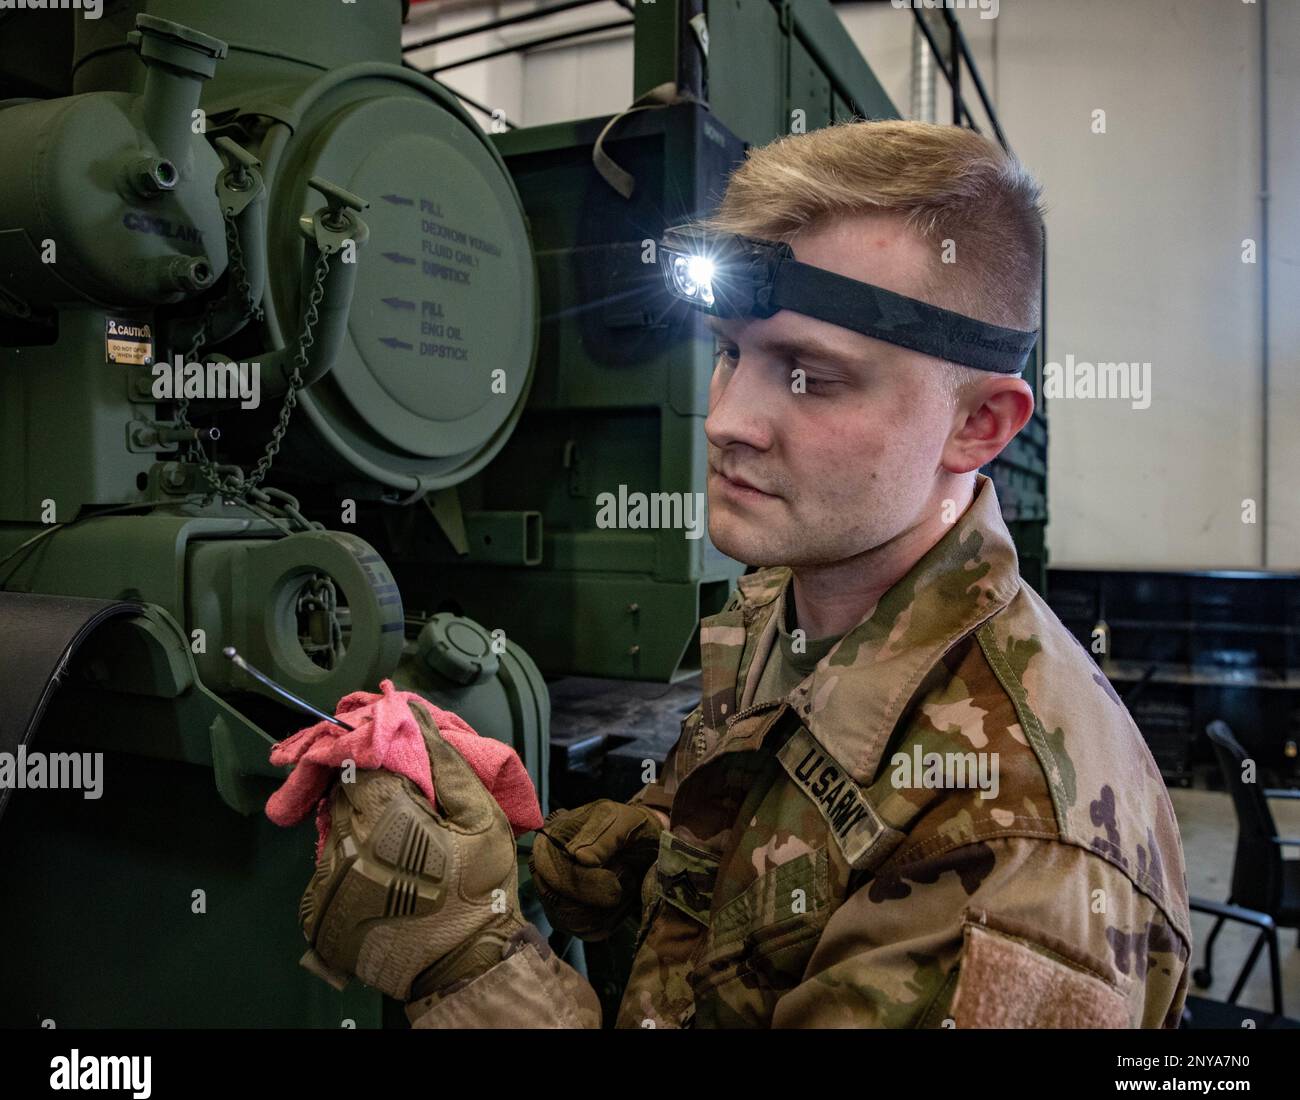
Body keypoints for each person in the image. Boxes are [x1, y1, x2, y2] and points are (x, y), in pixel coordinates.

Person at [297, 120, 1191, 1029]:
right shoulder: (783, 604)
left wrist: (467, 960)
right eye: (731, 350)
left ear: (981, 425)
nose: (728, 419)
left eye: (810, 375)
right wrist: (622, 852)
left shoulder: (1017, 854)